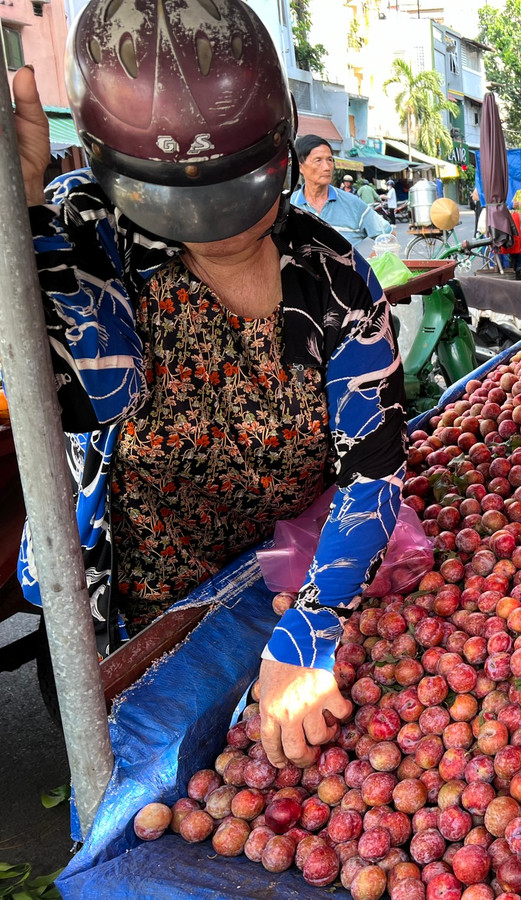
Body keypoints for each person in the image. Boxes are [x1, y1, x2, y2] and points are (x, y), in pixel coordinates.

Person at [11, 0, 408, 767]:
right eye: (187, 202)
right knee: (152, 764)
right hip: (147, 600)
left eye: (239, 188)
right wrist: (21, 208)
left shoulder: (334, 280)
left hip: (284, 581)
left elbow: (374, 467)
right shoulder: (95, 233)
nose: (221, 225)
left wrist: (316, 619)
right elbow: (89, 397)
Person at [292, 136, 391, 248]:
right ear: (301, 167)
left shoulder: (352, 204)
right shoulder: (288, 207)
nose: (327, 167)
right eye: (318, 160)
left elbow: (388, 235)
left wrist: (371, 263)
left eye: (329, 160)